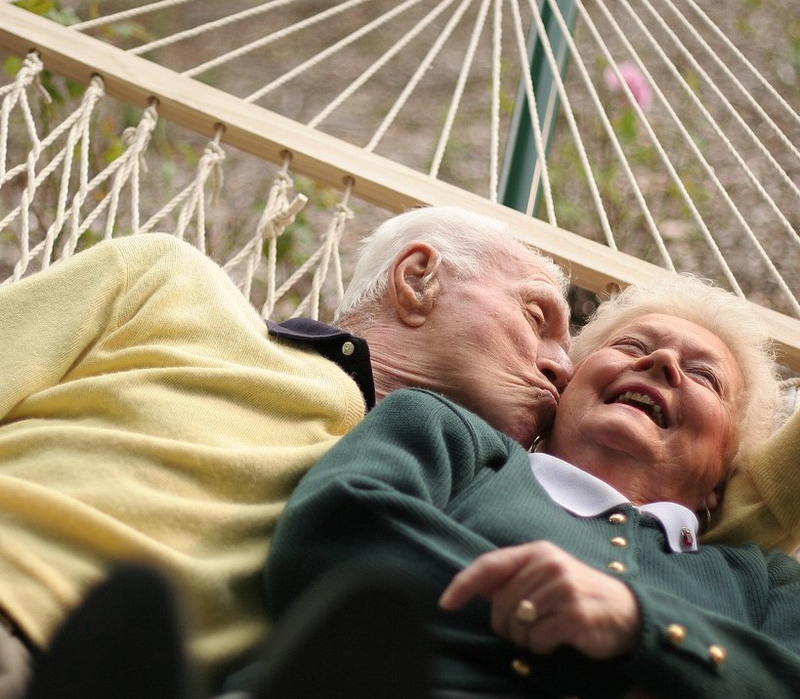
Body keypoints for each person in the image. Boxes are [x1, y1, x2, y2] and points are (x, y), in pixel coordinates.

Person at [0, 206, 573, 697]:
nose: (562, 368)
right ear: (419, 278)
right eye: (535, 316)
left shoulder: (431, 509)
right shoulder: (170, 285)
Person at [264, 273, 800, 698]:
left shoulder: (764, 582)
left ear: (722, 476)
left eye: (705, 376)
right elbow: (336, 531)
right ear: (563, 392)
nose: (659, 362)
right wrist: (624, 663)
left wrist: (641, 625)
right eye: (630, 344)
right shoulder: (451, 437)